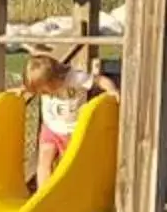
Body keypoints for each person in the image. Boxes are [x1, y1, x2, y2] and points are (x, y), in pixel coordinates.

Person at [24, 53, 106, 185]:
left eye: (45, 91)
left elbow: (99, 80)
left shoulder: (75, 78)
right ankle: (43, 196)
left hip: (73, 131)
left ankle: (70, 192)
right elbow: (32, 88)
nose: (43, 94)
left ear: (54, 79)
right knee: (44, 160)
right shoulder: (44, 84)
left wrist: (112, 90)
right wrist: (22, 90)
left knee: (71, 166)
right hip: (51, 128)